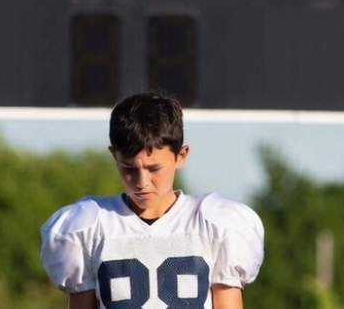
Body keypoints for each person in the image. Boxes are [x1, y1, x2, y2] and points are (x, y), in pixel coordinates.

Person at [40, 91, 264, 309]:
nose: (142, 181)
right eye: (128, 168)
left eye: (154, 168)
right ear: (114, 156)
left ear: (181, 156)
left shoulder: (214, 223)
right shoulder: (88, 226)